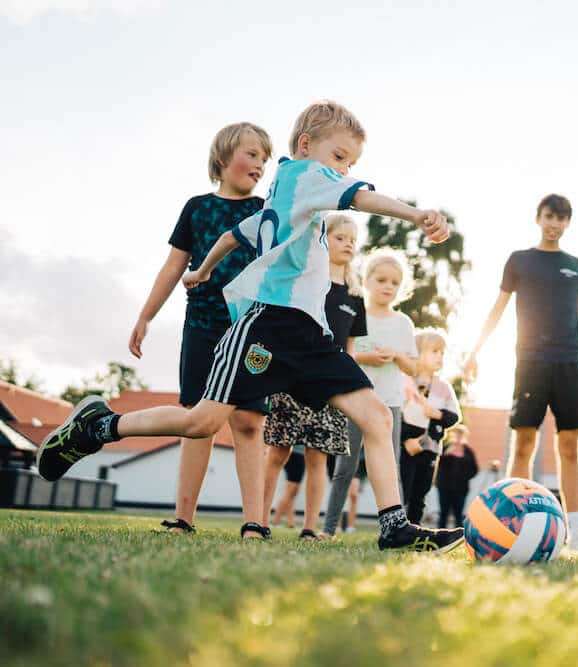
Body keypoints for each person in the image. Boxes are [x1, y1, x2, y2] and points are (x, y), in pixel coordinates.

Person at [38, 99, 463, 552]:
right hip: (267, 329)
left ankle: (394, 526)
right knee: (201, 421)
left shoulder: (292, 202)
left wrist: (202, 271)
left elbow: (233, 235)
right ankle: (98, 426)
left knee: (375, 416)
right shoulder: (304, 176)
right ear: (306, 145)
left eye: (350, 163)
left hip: (311, 339)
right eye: (339, 158)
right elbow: (359, 197)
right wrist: (415, 216)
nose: (342, 171)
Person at [127, 122, 273, 534]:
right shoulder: (196, 208)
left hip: (250, 329)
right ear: (223, 159)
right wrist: (145, 315)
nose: (259, 164)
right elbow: (174, 266)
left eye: (264, 158)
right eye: (251, 154)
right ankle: (182, 518)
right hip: (202, 326)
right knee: (195, 418)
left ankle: (254, 522)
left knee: (248, 421)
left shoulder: (265, 211)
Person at [464, 194, 578, 552]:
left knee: (570, 446)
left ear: (568, 224)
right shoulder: (519, 261)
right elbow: (498, 308)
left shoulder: (575, 265)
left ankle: (576, 532)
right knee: (523, 444)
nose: (555, 224)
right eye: (550, 216)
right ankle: (507, 523)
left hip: (569, 363)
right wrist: (475, 351)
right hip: (530, 360)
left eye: (562, 219)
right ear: (538, 218)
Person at [260, 214, 364, 539]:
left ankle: (309, 528)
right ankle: (258, 520)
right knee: (278, 451)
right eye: (340, 237)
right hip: (292, 377)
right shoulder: (307, 280)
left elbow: (351, 348)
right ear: (323, 240)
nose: (348, 243)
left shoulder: (356, 295)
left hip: (331, 383)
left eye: (353, 239)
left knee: (319, 457)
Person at [323, 248, 417, 537]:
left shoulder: (403, 323)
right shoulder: (356, 311)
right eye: (381, 280)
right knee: (344, 468)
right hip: (356, 401)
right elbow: (343, 354)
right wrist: (366, 359)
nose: (387, 287)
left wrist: (397, 356)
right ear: (367, 280)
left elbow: (413, 367)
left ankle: (395, 529)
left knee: (392, 467)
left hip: (391, 403)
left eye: (394, 283)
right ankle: (328, 529)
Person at [399, 330, 461, 524]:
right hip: (406, 445)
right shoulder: (403, 381)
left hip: (430, 447)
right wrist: (404, 440)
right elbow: (393, 414)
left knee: (421, 491)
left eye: (442, 353)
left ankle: (414, 528)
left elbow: (454, 417)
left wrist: (438, 414)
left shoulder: (444, 387)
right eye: (434, 351)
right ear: (418, 352)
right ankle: (395, 528)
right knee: (402, 489)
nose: (439, 356)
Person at [434, 425, 479, 528]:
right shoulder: (445, 448)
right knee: (443, 514)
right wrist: (445, 454)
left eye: (461, 435)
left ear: (465, 436)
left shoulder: (468, 451)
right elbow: (437, 465)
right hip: (444, 487)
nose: (458, 437)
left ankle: (458, 539)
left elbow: (475, 469)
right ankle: (441, 539)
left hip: (461, 489)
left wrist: (463, 477)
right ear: (452, 435)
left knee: (458, 515)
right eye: (456, 434)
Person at [272, 444, 306, 528]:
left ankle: (291, 522)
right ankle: (275, 521)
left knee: (293, 492)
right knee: (290, 489)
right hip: (295, 455)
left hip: (298, 454)